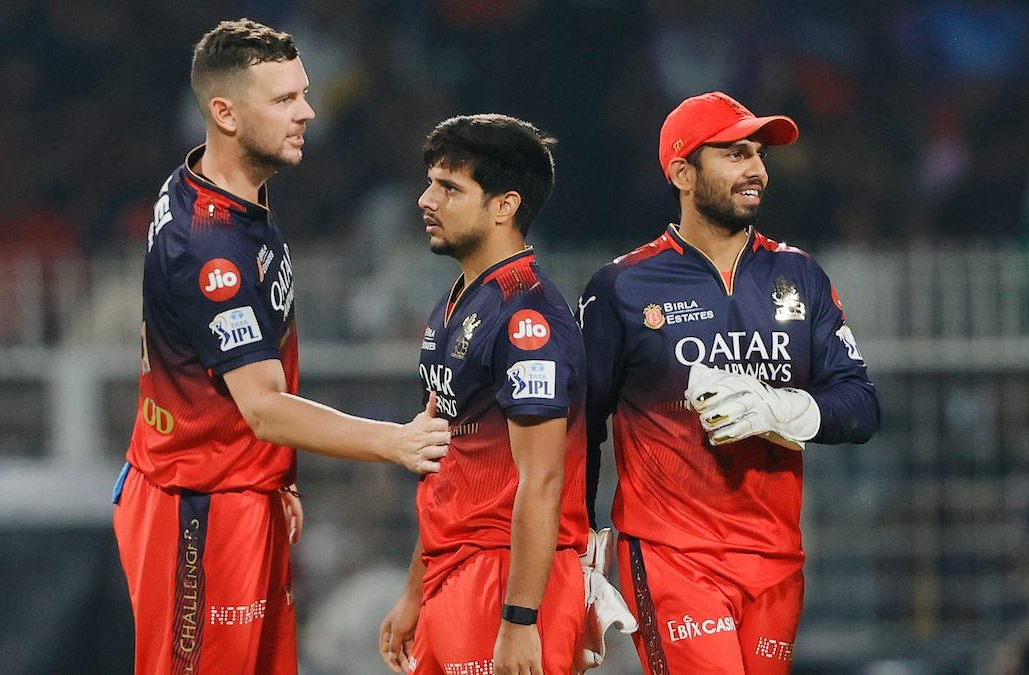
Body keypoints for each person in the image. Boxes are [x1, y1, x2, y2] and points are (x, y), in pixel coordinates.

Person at [111, 19, 450, 675]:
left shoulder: (224, 186)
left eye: (303, 93)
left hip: (236, 488)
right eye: (284, 100)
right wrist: (397, 441)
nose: (308, 114)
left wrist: (274, 472)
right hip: (197, 509)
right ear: (225, 113)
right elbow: (261, 405)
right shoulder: (215, 248)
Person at [579, 91, 880, 675]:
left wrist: (779, 410)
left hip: (775, 560)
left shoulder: (799, 274)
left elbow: (861, 406)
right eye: (735, 154)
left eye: (758, 154)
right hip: (672, 553)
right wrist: (577, 543)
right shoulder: (621, 286)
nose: (757, 170)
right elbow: (582, 423)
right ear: (681, 172)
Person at [378, 114, 589, 675]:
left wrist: (520, 620)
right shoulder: (457, 303)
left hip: (503, 578)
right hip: (455, 570)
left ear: (504, 206)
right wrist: (417, 590)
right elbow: (444, 470)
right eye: (430, 183)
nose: (426, 200)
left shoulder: (527, 319)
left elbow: (542, 479)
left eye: (449, 188)